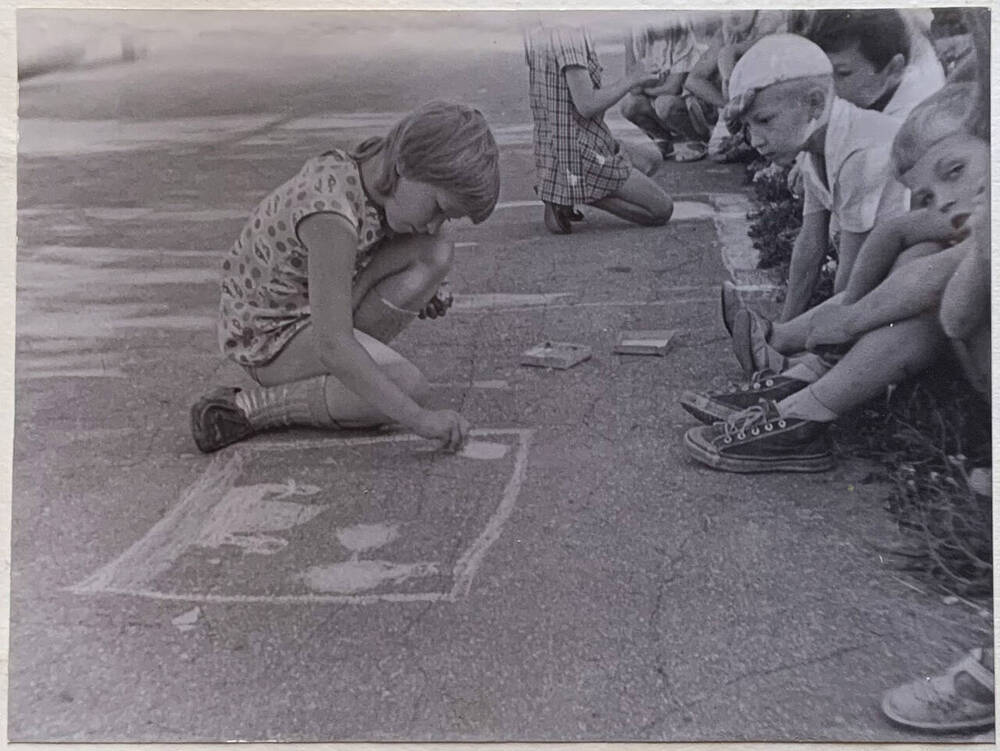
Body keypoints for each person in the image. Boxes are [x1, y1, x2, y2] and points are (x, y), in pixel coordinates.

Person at [679, 83, 988, 473]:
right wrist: (850, 307)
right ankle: (803, 381)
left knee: (928, 292)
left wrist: (851, 322)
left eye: (955, 170)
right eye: (927, 195)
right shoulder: (970, 195)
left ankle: (804, 411)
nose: (943, 200)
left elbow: (951, 310)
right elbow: (893, 233)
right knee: (920, 250)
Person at [190, 101, 500, 454]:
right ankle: (251, 408)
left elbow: (387, 248)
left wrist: (421, 290)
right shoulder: (331, 216)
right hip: (270, 342)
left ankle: (354, 369)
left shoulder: (374, 175)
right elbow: (332, 343)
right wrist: (419, 420)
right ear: (405, 165)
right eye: (438, 208)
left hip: (310, 316)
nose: (434, 224)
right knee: (406, 387)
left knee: (435, 250)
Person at [721, 34, 910, 325]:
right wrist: (788, 320)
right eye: (748, 126)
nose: (755, 139)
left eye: (765, 120)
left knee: (840, 339)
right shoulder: (813, 147)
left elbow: (851, 278)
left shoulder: (860, 152)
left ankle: (785, 349)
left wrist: (812, 330)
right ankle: (779, 341)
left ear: (815, 103)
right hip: (885, 275)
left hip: (914, 274)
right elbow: (811, 244)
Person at [525, 23, 674, 235]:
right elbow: (586, 105)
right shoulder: (569, 33)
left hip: (558, 143)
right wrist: (632, 79)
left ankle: (562, 189)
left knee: (652, 159)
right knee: (661, 209)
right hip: (577, 149)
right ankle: (571, 192)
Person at [682, 11, 786, 161]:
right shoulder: (726, 30)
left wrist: (728, 80)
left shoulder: (770, 18)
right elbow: (693, 80)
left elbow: (728, 53)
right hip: (739, 106)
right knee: (718, 151)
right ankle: (738, 133)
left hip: (770, 99)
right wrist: (730, 107)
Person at [619, 17, 703, 158]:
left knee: (664, 103)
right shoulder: (643, 34)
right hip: (661, 99)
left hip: (692, 107)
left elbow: (673, 88)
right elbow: (633, 87)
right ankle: (662, 138)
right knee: (629, 105)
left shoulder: (682, 33)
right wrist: (628, 44)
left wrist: (646, 89)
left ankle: (697, 139)